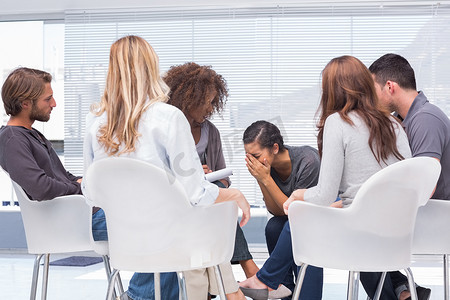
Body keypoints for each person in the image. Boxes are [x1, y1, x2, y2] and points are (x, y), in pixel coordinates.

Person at [82, 35, 250, 300]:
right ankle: (231, 292)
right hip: (167, 234)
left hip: (119, 234)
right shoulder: (168, 117)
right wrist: (234, 194)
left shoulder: (94, 122)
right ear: (151, 68)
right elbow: (195, 192)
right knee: (209, 214)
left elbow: (90, 193)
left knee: (167, 238)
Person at [239, 55, 411, 300]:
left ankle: (267, 280)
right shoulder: (392, 124)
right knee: (280, 224)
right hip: (398, 233)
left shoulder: (338, 122)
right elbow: (395, 185)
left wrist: (299, 195)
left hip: (359, 230)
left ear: (333, 91)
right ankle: (275, 283)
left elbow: (324, 195)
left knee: (300, 218)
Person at [162, 62, 258, 298]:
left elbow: (223, 178)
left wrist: (206, 178)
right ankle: (241, 275)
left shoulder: (210, 132)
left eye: (214, 101)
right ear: (188, 98)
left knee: (215, 194)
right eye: (206, 101)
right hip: (178, 204)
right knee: (214, 205)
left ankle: (225, 285)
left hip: (205, 201)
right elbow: (162, 177)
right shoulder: (167, 128)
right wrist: (193, 177)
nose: (210, 108)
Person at [359, 53, 450, 300]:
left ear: (390, 87)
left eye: (372, 90)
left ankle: (401, 291)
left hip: (434, 217)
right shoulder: (406, 120)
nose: (369, 98)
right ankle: (405, 291)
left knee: (359, 236)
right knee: (359, 233)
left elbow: (425, 183)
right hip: (424, 212)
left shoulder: (425, 119)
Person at [240, 120, 321, 300]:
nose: (252, 161)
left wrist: (266, 179)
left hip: (321, 220)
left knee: (296, 229)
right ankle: (284, 291)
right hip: (298, 220)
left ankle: (268, 281)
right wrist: (262, 179)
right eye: (248, 156)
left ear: (275, 148)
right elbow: (276, 212)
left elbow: (300, 214)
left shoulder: (308, 161)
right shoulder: (268, 168)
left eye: (256, 155)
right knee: (274, 226)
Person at [0, 67, 82, 201]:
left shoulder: (30, 134)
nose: (53, 104)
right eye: (48, 99)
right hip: (71, 215)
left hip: (77, 210)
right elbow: (41, 188)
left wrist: (82, 182)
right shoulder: (13, 139)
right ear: (25, 103)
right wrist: (78, 188)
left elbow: (58, 175)